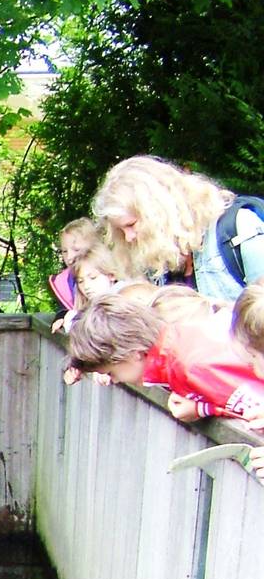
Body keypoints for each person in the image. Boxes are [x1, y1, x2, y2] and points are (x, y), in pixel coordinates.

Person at [66, 293, 264, 426]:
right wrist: (201, 407)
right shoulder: (175, 349)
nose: (115, 380)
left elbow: (254, 410)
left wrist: (202, 408)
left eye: (111, 372)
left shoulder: (191, 364)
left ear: (131, 352)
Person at [93, 155, 264, 302]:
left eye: (131, 225)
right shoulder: (158, 263)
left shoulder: (239, 227)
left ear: (159, 212)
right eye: (121, 231)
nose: (128, 238)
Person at [49, 218, 98, 332]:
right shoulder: (64, 282)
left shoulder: (107, 276)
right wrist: (61, 316)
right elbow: (67, 308)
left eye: (76, 250)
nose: (69, 257)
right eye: (64, 251)